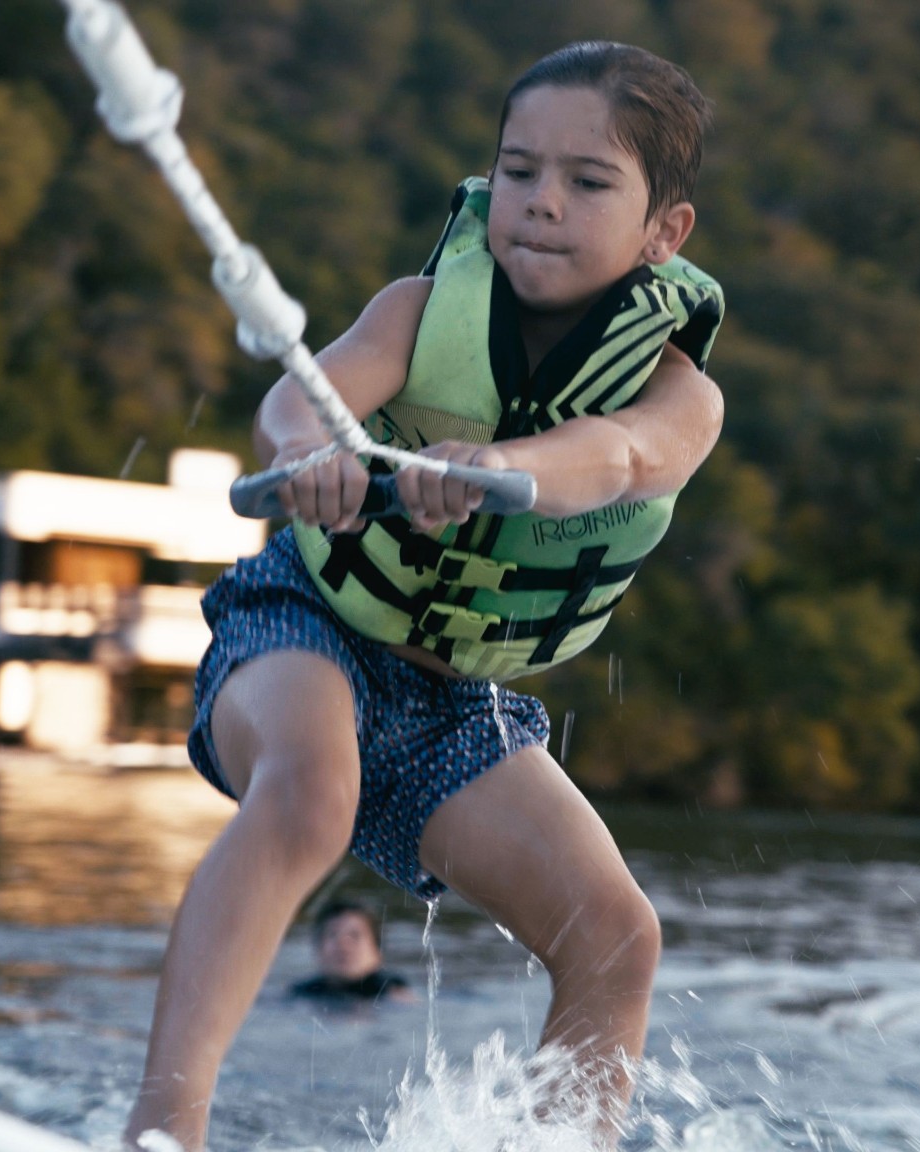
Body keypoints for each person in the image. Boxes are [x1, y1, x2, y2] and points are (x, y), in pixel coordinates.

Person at [125, 40, 725, 1151]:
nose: (540, 203)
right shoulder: (416, 308)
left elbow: (620, 457)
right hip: (304, 631)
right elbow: (292, 408)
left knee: (614, 933)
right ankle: (161, 1136)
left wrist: (499, 472)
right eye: (517, 171)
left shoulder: (680, 397)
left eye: (587, 182)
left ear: (662, 232)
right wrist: (314, 457)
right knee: (312, 796)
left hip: (458, 704)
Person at [289, 899, 412, 1004]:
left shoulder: (393, 992)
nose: (343, 945)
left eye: (355, 935)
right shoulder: (301, 994)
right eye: (333, 935)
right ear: (318, 949)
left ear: (377, 950)